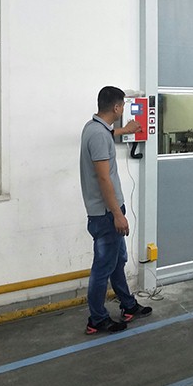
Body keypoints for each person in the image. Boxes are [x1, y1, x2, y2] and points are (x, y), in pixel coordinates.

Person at [80, 86, 152, 334]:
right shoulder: (99, 135)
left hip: (109, 211)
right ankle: (97, 319)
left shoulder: (94, 128)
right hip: (106, 214)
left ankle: (128, 305)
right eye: (123, 105)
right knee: (103, 268)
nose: (123, 109)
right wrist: (118, 215)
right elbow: (103, 178)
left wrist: (126, 130)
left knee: (117, 260)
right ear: (117, 107)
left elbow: (108, 135)